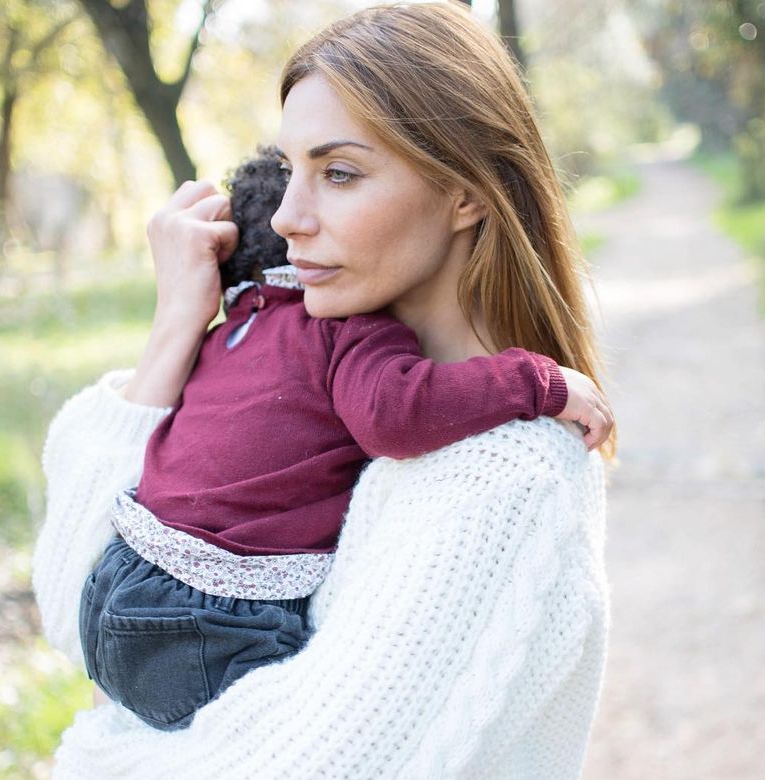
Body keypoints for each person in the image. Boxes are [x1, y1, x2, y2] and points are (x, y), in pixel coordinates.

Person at [32, 2, 614, 780]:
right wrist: (175, 327)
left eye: (338, 173)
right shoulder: (324, 382)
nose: (284, 218)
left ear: (465, 193)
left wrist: (95, 759)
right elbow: (74, 606)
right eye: (291, 169)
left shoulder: (504, 476)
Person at [76, 147, 610, 732]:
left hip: (112, 585)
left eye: (338, 175)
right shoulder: (342, 331)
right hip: (209, 623)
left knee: (138, 737)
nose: (295, 217)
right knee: (264, 745)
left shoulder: (226, 334)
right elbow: (396, 412)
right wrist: (536, 381)